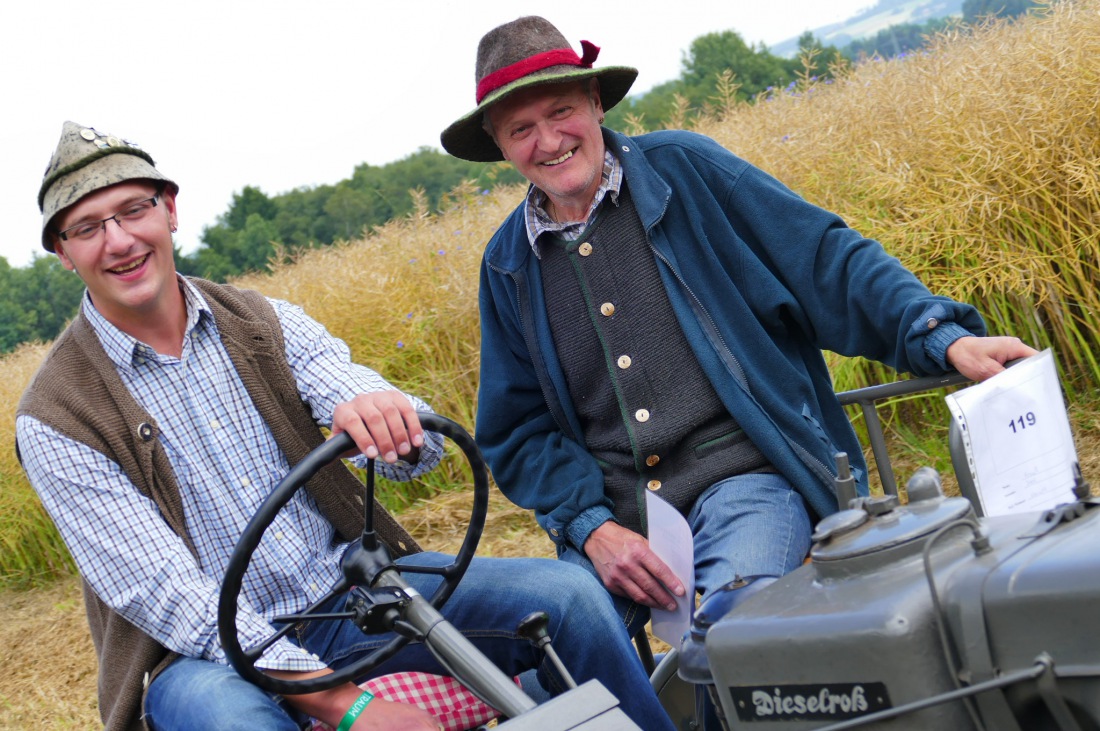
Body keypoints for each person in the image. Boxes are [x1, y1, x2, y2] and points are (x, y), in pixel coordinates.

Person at [16, 122, 674, 731]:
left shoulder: (261, 323)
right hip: (203, 658)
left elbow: (391, 426)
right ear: (63, 253)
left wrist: (384, 414)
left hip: (355, 596)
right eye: (89, 227)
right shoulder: (56, 416)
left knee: (569, 598)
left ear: (169, 210)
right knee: (229, 719)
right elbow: (167, 595)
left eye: (134, 211)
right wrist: (346, 702)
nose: (121, 240)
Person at [441, 17, 1037, 633]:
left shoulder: (688, 171)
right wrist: (592, 528)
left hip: (748, 477)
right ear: (500, 145)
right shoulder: (507, 264)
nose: (548, 140)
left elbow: (826, 263)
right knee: (562, 668)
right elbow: (518, 432)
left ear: (594, 101)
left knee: (737, 630)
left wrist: (940, 335)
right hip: (619, 518)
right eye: (521, 129)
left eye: (560, 110)